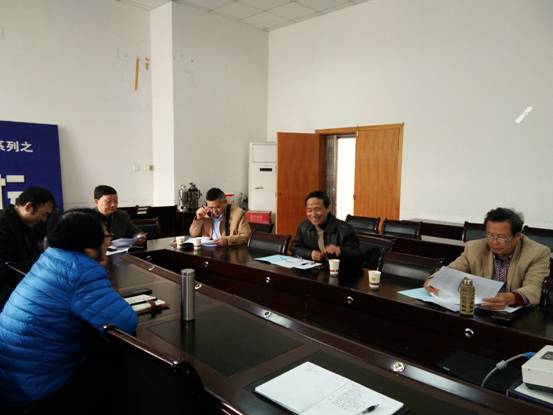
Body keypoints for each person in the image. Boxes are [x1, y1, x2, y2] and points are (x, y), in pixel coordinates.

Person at [0, 208, 138, 410]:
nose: (109, 241)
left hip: (11, 374)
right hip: (36, 386)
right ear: (89, 248)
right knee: (114, 364)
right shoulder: (81, 271)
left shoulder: (51, 257)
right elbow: (125, 322)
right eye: (106, 236)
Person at [424, 208, 550, 309]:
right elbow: (453, 269)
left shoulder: (536, 253)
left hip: (514, 314)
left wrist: (510, 298)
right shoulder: (475, 247)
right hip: (480, 309)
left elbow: (534, 288)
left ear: (518, 236)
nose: (494, 242)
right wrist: (433, 280)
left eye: (501, 237)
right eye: (490, 235)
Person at [0, 187, 55, 309]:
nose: (44, 219)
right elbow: (6, 266)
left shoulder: (24, 225)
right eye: (44, 214)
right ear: (29, 207)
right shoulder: (3, 226)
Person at [290, 190, 363, 275]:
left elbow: (358, 256)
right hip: (315, 273)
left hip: (341, 274)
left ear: (328, 209)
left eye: (317, 209)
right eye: (309, 210)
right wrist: (310, 254)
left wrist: (339, 250)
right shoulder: (303, 226)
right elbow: (294, 247)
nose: (313, 214)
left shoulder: (345, 229)